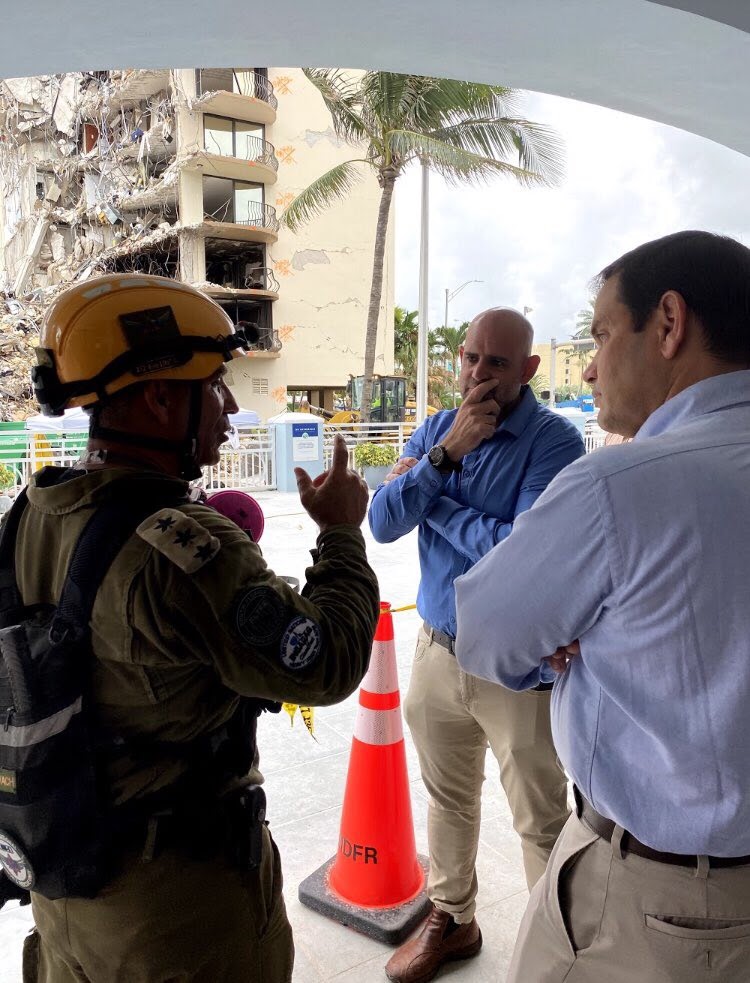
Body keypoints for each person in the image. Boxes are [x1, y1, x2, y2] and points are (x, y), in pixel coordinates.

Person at [7, 273, 380, 983]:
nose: (232, 408)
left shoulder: (29, 516)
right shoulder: (181, 548)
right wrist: (338, 534)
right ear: (157, 397)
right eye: (214, 386)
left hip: (65, 897)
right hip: (176, 921)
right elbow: (326, 659)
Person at [454, 231, 750, 983]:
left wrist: (578, 627)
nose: (588, 365)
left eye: (601, 333)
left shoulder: (620, 483)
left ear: (670, 323)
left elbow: (487, 635)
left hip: (655, 897)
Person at [368, 307, 585, 983]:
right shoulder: (439, 428)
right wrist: (444, 455)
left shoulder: (554, 442)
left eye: (496, 362)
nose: (478, 373)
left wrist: (429, 495)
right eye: (470, 357)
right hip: (437, 649)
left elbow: (521, 554)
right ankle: (453, 916)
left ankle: (554, 952)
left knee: (541, 818)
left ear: (527, 369)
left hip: (517, 666)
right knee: (447, 796)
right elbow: (380, 520)